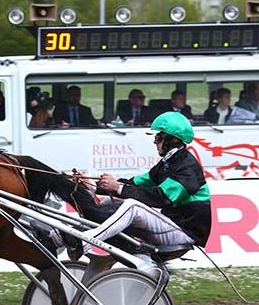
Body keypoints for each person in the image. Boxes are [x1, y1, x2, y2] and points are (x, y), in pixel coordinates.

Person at [72, 112, 211, 264]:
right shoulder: (167, 163)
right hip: (171, 226)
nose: (154, 141)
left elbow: (160, 197)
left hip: (184, 234)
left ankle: (87, 240)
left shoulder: (187, 167)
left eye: (159, 137)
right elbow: (134, 183)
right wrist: (92, 185)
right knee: (108, 203)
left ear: (174, 139)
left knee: (133, 206)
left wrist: (118, 188)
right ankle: (61, 236)